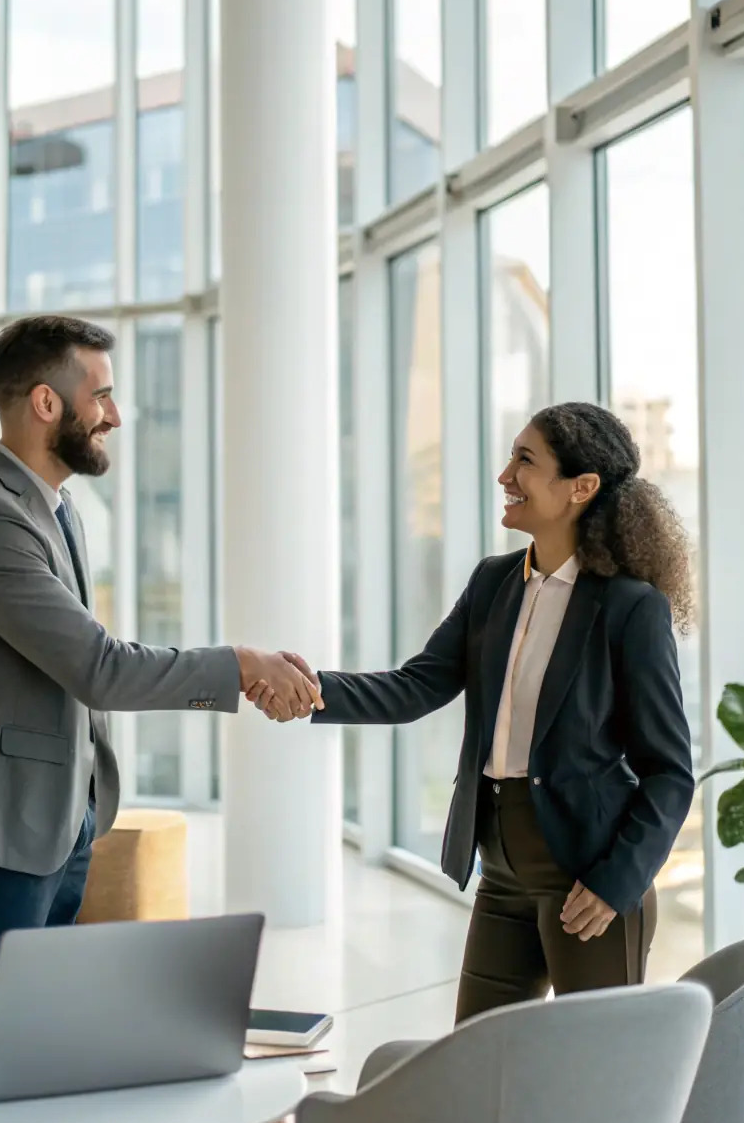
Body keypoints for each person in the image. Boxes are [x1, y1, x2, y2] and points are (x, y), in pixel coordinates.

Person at [0, 315, 319, 1123]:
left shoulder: (52, 510)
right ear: (44, 402)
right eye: (101, 394)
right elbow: (97, 664)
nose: (116, 415)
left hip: (56, 824)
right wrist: (239, 665)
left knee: (36, 1067)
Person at [250, 401, 695, 1022]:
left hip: (588, 878)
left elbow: (670, 770)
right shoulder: (493, 582)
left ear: (581, 488)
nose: (504, 475)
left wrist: (618, 879)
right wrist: (308, 690)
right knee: (478, 1055)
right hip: (500, 870)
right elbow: (415, 687)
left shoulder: (629, 608)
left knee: (596, 1076)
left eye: (526, 460)